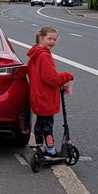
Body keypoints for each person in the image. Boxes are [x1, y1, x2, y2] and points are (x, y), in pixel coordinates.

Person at [26, 25, 74, 155]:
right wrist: (67, 76)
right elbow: (51, 78)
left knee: (39, 122)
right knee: (48, 124)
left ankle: (40, 146)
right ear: (41, 38)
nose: (52, 42)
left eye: (55, 39)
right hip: (46, 96)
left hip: (36, 95)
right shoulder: (44, 56)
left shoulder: (34, 55)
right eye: (49, 39)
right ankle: (50, 149)